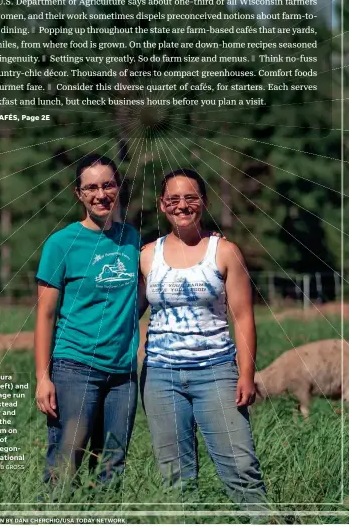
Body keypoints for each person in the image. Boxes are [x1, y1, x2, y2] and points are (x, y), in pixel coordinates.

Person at [139, 168, 267, 510]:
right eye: (173, 199)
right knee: (176, 478)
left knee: (241, 468)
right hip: (160, 376)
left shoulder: (224, 252)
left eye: (190, 198)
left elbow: (242, 317)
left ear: (204, 202)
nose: (182, 205)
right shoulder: (147, 254)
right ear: (162, 205)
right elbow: (128, 311)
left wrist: (245, 374)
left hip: (216, 372)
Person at [34, 153, 140, 486]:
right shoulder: (60, 244)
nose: (101, 194)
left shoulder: (133, 239)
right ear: (79, 194)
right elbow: (45, 316)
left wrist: (212, 237)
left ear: (118, 188)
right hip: (75, 368)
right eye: (91, 187)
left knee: (112, 466)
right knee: (66, 465)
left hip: (123, 374)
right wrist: (42, 377)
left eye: (108, 185)